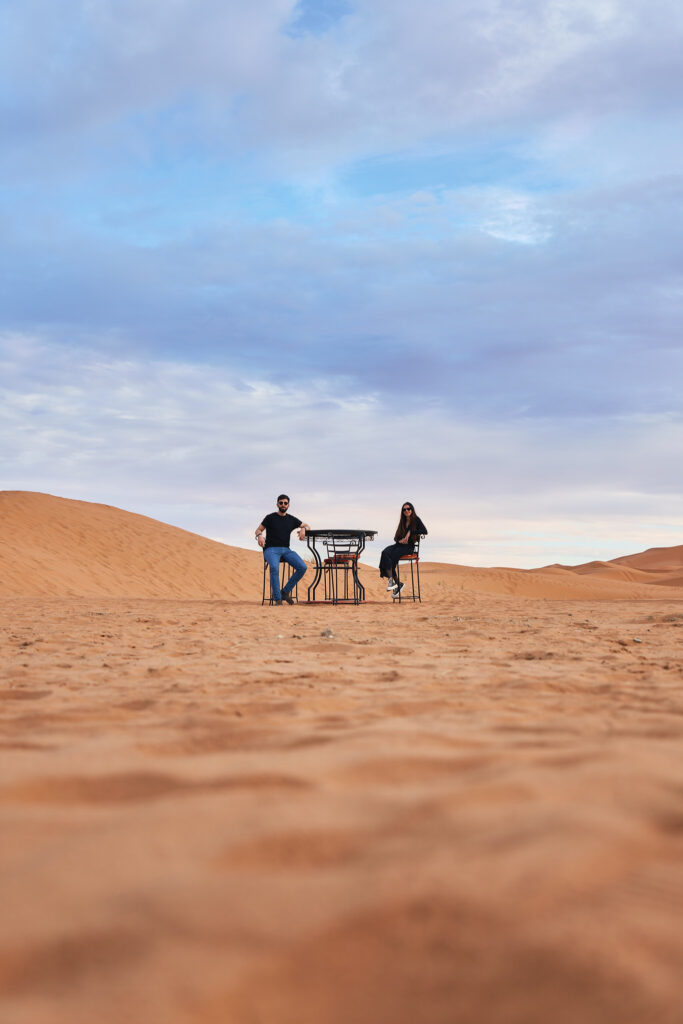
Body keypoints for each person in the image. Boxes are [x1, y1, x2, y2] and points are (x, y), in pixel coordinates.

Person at [255, 495, 310, 605]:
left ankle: (285, 592)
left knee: (302, 567)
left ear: (288, 505)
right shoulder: (270, 517)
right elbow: (258, 529)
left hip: (286, 550)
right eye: (281, 503)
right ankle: (278, 599)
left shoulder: (291, 519)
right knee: (274, 568)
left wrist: (303, 529)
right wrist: (260, 535)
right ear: (277, 504)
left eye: (285, 503)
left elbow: (307, 525)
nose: (283, 505)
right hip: (271, 549)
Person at [379, 501, 427, 597]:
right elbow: (396, 537)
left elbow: (425, 531)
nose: (406, 511)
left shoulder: (416, 520)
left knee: (391, 557)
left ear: (412, 510)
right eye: (404, 509)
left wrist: (411, 533)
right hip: (399, 545)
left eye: (408, 509)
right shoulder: (402, 521)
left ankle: (396, 584)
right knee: (385, 552)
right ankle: (393, 582)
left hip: (409, 547)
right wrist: (400, 540)